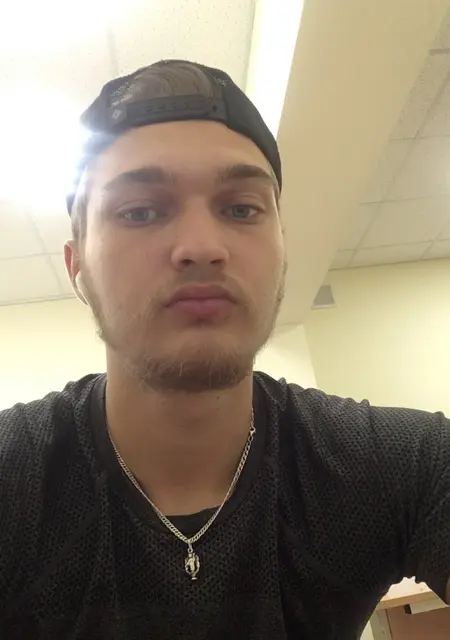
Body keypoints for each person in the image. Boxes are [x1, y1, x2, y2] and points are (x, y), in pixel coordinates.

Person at [0, 59, 449, 640]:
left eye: (241, 209)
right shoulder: (12, 479)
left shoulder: (407, 465)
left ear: (282, 249)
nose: (201, 246)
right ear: (77, 265)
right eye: (140, 211)